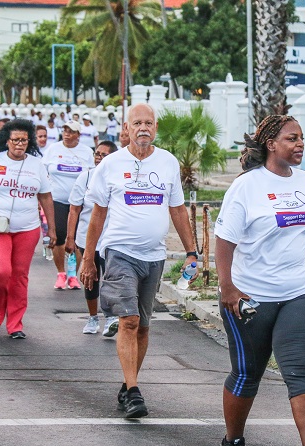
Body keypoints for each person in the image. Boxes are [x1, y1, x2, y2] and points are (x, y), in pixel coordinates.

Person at [214, 115, 305, 446]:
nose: (300, 144)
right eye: (291, 138)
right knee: (247, 372)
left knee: (303, 370)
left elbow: (303, 231)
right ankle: (232, 441)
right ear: (271, 143)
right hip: (252, 296)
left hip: (301, 291)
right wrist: (228, 289)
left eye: (302, 138)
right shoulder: (246, 186)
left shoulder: (303, 180)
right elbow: (224, 240)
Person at [80, 103, 198, 419]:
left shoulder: (168, 162)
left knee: (143, 326)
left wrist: (192, 252)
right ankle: (133, 393)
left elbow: (177, 210)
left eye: (148, 123)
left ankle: (127, 382)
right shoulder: (111, 164)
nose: (143, 128)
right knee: (128, 320)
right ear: (127, 128)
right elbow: (98, 213)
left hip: (154, 256)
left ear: (155, 127)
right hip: (119, 252)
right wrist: (88, 258)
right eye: (137, 123)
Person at [0, 119, 56, 340]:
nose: (19, 144)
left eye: (24, 140)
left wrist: (51, 229)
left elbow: (45, 196)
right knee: (1, 272)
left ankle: (15, 324)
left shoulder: (36, 165)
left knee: (19, 277)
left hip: (28, 228)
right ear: (6, 141)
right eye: (15, 140)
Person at [66, 141, 119, 336]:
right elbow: (74, 209)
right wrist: (70, 238)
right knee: (91, 279)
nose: (99, 158)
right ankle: (92, 317)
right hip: (86, 239)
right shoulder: (85, 177)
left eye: (104, 155)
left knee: (111, 280)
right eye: (97, 154)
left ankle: (111, 317)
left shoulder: (118, 178)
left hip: (111, 239)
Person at [42, 120, 94, 290]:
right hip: (57, 199)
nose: (67, 133)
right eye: (65, 130)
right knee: (59, 237)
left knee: (78, 239)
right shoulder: (53, 149)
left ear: (78, 135)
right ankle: (61, 273)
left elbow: (92, 175)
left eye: (71, 131)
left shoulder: (86, 152)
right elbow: (43, 172)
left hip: (79, 203)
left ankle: (73, 274)